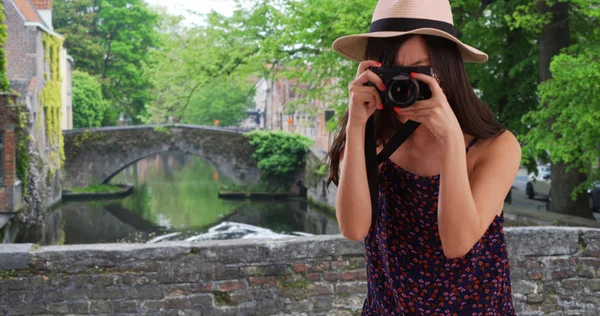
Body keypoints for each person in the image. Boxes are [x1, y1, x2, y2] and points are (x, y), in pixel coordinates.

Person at [326, 0, 521, 314]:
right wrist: (357, 123)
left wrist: (451, 139)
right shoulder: (372, 138)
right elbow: (353, 228)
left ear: (447, 69)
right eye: (393, 72)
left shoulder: (495, 146)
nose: (405, 85)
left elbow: (457, 243)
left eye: (418, 71)